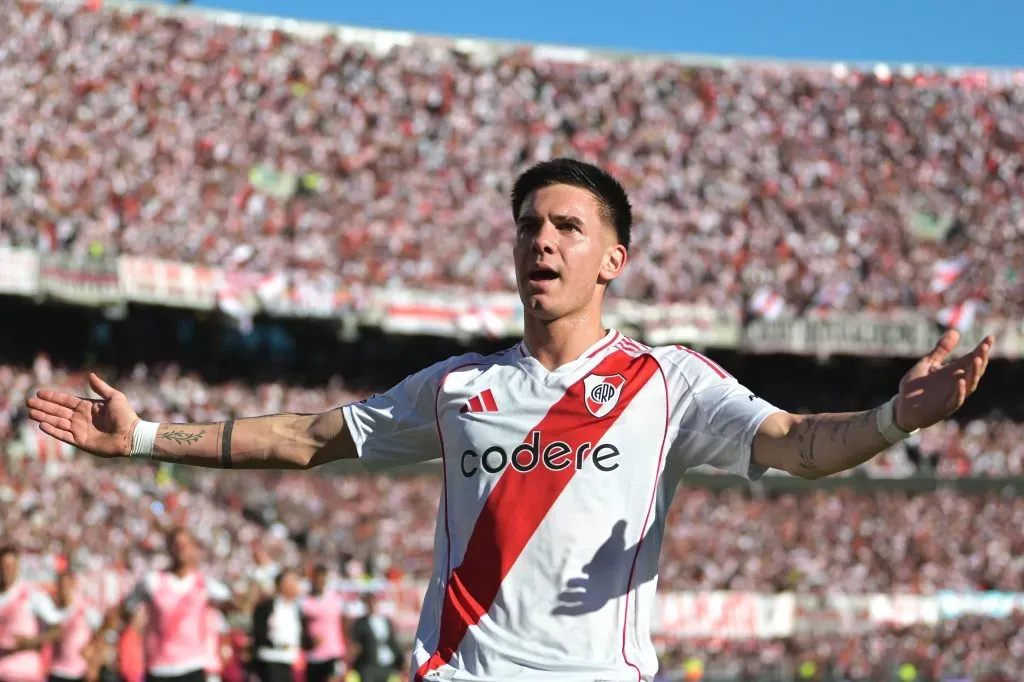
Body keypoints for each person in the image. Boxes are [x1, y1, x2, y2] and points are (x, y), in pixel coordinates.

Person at [26, 158, 993, 681]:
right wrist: (144, 439)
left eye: (569, 226)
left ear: (612, 260)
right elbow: (310, 439)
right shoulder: (457, 387)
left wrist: (890, 417)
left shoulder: (667, 381)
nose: (544, 240)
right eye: (531, 225)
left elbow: (798, 445)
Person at [123, 529, 234, 682]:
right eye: (177, 545)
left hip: (192, 665)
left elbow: (231, 606)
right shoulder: (153, 581)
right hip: (159, 666)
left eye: (187, 545)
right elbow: (128, 607)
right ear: (169, 548)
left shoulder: (205, 584)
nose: (182, 550)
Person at [0, 546, 65, 682]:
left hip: (25, 673)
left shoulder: (32, 594)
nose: (7, 571)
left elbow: (58, 629)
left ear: (17, 567)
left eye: (11, 566)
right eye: (4, 566)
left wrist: (33, 642)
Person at [48, 572, 102, 682]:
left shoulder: (85, 608)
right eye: (62, 585)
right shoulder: (53, 609)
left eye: (68, 585)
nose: (64, 589)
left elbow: (100, 632)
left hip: (78, 672)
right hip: (56, 669)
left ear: (74, 585)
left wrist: (93, 661)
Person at [250, 570, 302, 682]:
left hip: (289, 658)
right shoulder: (267, 606)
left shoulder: (295, 607)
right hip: (271, 658)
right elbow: (259, 630)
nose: (296, 586)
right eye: (291, 582)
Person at [300, 566, 348, 682]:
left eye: (322, 579)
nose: (319, 582)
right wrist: (309, 640)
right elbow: (302, 627)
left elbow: (344, 623)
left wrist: (347, 646)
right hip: (313, 655)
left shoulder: (336, 599)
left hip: (333, 652)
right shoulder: (305, 601)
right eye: (316, 579)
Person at [348, 593, 401, 682]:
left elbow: (392, 642)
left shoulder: (386, 621)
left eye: (374, 603)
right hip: (368, 665)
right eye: (369, 603)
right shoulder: (360, 623)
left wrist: (400, 660)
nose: (372, 605)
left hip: (387, 665)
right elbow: (355, 643)